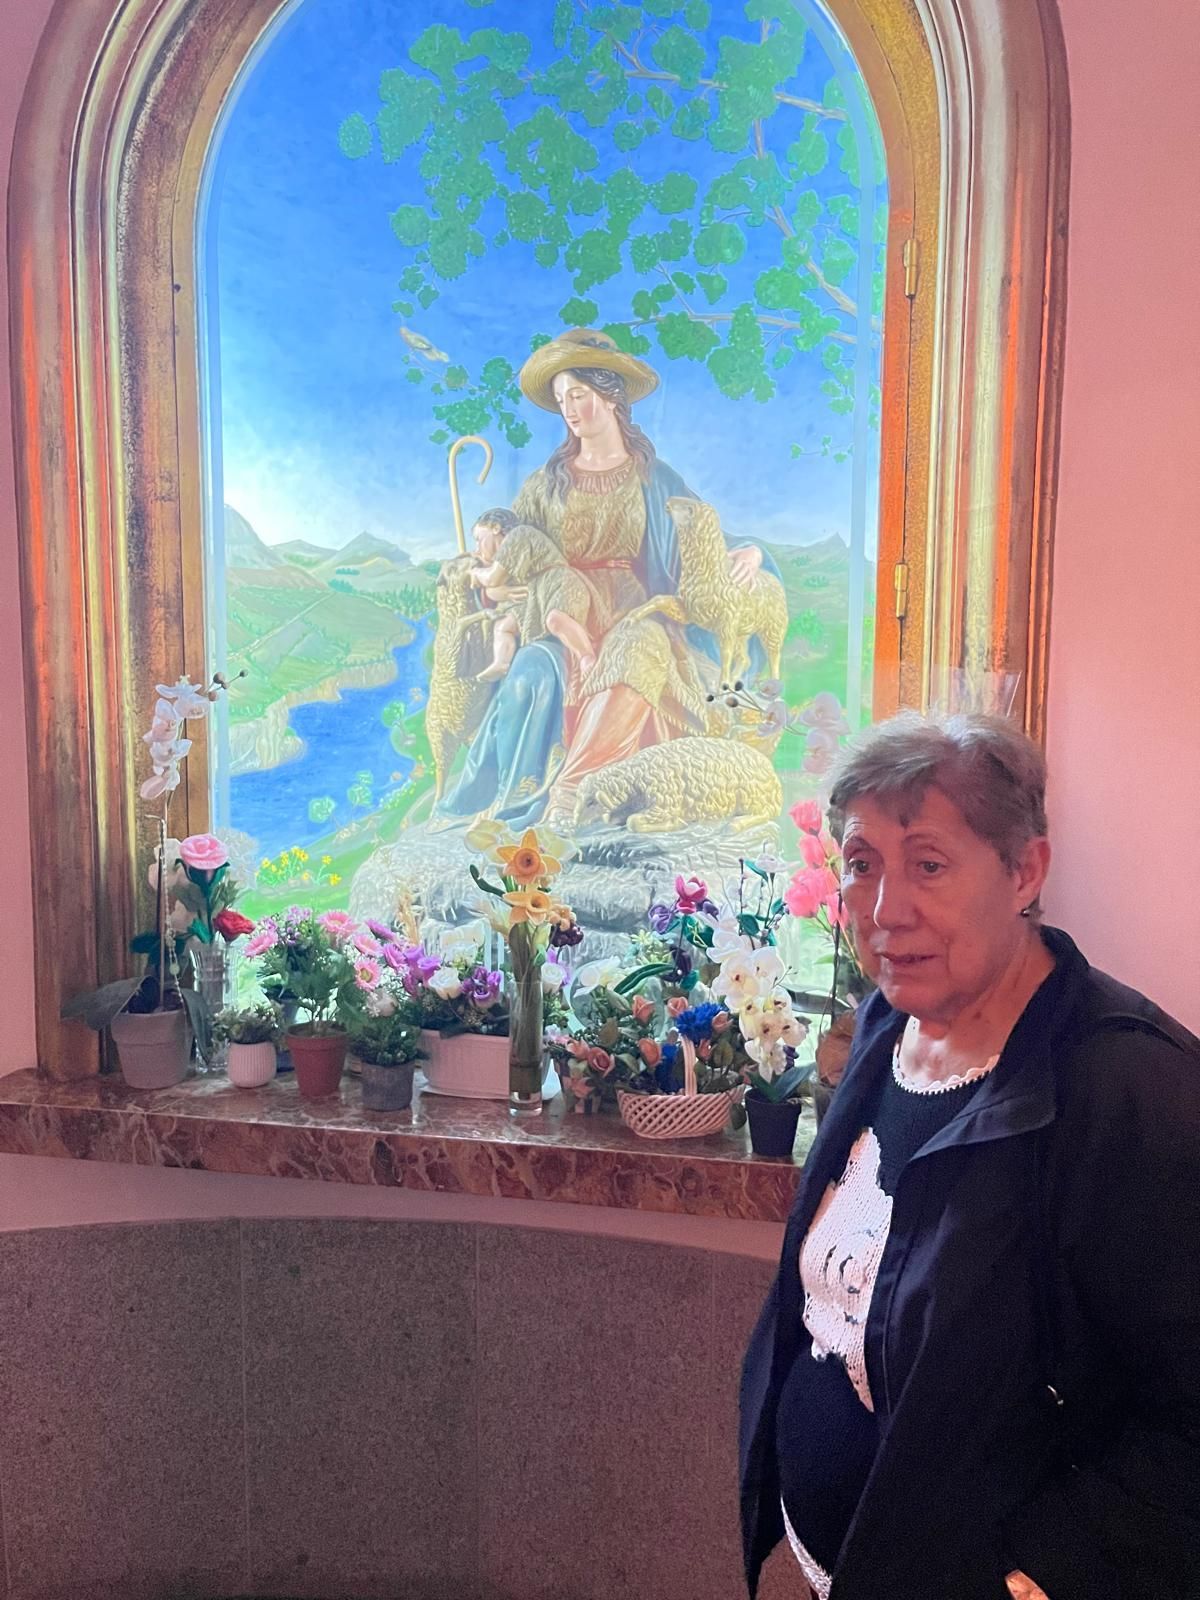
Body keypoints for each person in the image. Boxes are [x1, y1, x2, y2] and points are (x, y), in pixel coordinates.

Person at [740, 711, 1200, 1600]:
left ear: (1025, 871)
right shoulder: (890, 1022)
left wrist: (1030, 1578)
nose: (885, 910)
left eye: (929, 865)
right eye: (862, 863)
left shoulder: (1127, 1088)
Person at [437, 327, 772, 829]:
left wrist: (749, 551)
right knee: (530, 667)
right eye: (561, 400)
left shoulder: (653, 477)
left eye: (578, 395)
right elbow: (515, 553)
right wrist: (489, 579)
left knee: (637, 649)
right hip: (564, 612)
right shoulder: (543, 486)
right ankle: (525, 795)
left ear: (611, 396)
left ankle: (574, 793)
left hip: (637, 611)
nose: (569, 410)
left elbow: (700, 533)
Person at [465, 507, 598, 684]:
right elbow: (497, 587)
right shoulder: (506, 557)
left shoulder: (518, 535)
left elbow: (493, 578)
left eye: (478, 539)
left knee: (555, 619)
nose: (477, 548)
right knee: (503, 626)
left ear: (495, 528)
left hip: (558, 584)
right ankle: (501, 663)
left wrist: (475, 573)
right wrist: (496, 590)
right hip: (537, 599)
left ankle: (586, 656)